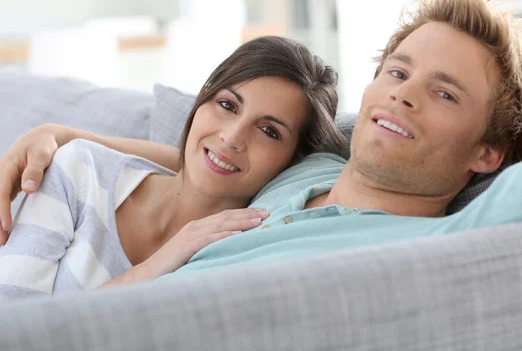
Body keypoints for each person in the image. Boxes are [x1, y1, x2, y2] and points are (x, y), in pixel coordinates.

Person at [2, 0, 522, 282]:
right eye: (397, 71)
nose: (404, 93)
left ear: (487, 152)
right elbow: (211, 157)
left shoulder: (450, 238)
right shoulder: (311, 168)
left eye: (444, 92)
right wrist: (58, 133)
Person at [0, 36, 347, 298]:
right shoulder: (78, 170)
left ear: (294, 160)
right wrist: (157, 265)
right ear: (202, 99)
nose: (232, 137)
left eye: (269, 131)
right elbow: (15, 327)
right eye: (227, 105)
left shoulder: (243, 252)